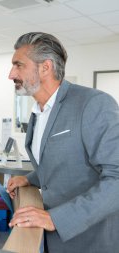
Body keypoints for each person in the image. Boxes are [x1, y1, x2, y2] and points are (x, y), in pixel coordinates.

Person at [6, 32, 119, 253]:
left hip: (91, 239)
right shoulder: (39, 110)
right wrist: (30, 179)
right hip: (52, 240)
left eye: (18, 65)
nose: (11, 74)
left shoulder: (93, 104)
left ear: (45, 68)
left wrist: (56, 218)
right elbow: (64, 161)